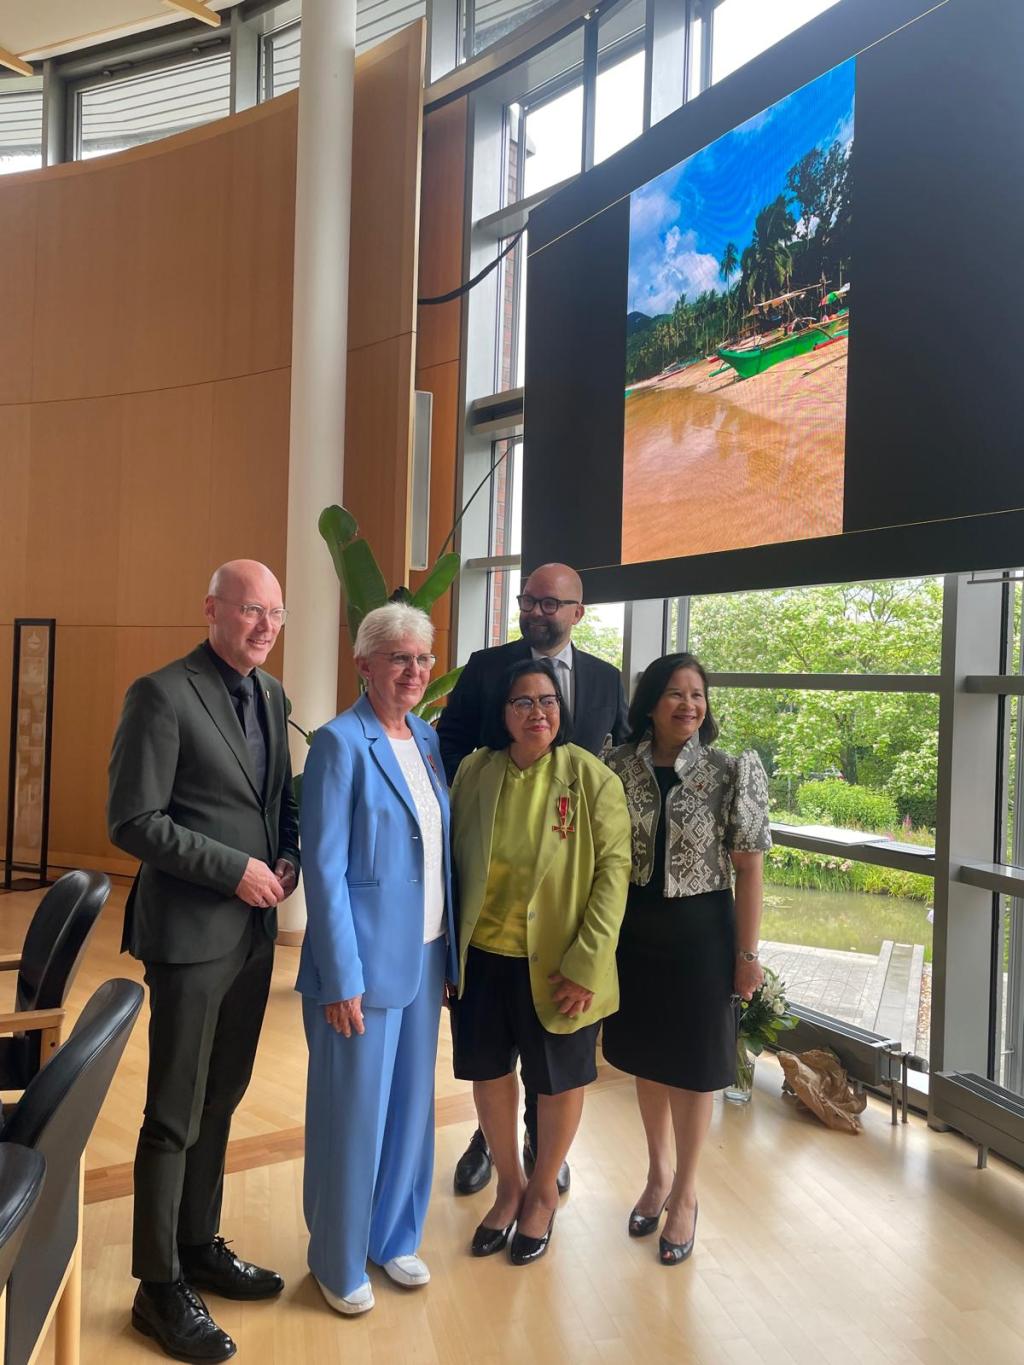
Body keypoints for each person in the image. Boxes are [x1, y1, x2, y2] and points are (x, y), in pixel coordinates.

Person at [108, 560, 300, 1364]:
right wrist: (233, 870)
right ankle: (156, 1288)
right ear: (212, 609)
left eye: (275, 613)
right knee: (173, 1113)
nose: (265, 626)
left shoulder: (273, 695)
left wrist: (287, 858)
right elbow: (133, 819)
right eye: (251, 609)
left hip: (253, 933)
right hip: (190, 936)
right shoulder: (161, 693)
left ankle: (196, 1244)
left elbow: (278, 800)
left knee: (222, 1099)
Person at [439, 561, 629, 1195]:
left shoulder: (604, 682)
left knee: (554, 1071)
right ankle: (495, 1152)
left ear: (577, 611)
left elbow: (625, 765)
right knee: (491, 1063)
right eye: (529, 600)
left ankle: (542, 1161)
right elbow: (446, 748)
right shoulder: (485, 673)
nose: (537, 611)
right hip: (488, 930)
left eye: (551, 603)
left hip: (563, 916)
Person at [296, 603, 459, 1316]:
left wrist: (449, 955)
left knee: (410, 1111)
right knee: (352, 1115)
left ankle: (393, 1235)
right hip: (359, 967)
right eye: (399, 658)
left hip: (425, 956)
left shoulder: (426, 738)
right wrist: (341, 976)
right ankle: (336, 1260)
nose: (414, 671)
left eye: (422, 658)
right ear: (364, 664)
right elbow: (324, 869)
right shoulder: (339, 743)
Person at [603, 653, 770, 1266]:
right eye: (675, 693)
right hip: (633, 933)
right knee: (648, 1057)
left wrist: (747, 956)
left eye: (697, 694)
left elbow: (749, 869)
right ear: (650, 702)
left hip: (702, 936)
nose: (689, 705)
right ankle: (657, 1174)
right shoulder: (616, 765)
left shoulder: (731, 771)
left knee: (696, 1066)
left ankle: (687, 1194)